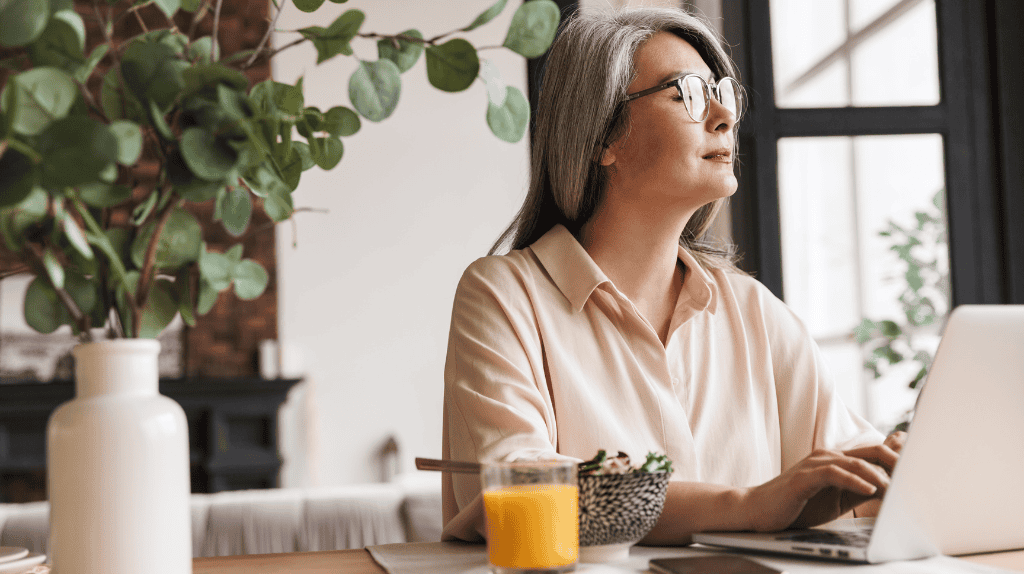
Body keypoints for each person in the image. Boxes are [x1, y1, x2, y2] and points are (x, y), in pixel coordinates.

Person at [441, 6, 906, 544]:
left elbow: (849, 473)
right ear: (601, 137)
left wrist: (897, 476)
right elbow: (518, 493)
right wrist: (748, 505)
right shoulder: (502, 295)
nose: (724, 117)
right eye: (685, 91)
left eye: (722, 93)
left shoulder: (753, 309)